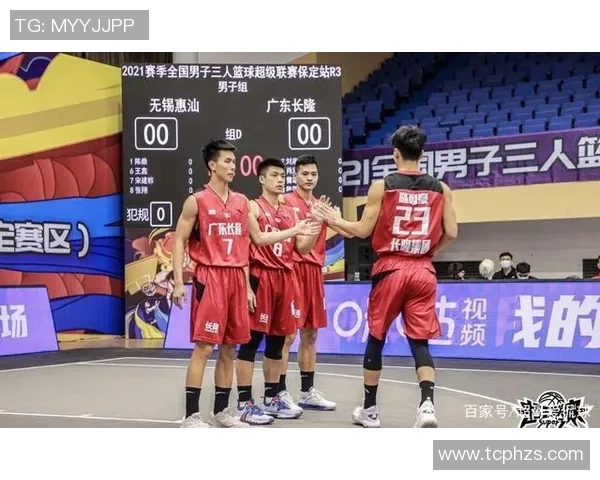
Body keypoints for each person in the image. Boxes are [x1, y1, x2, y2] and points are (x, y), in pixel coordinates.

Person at [314, 125, 458, 428]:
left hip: (391, 268)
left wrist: (333, 219)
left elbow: (361, 230)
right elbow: (452, 233)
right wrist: (428, 250)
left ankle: (369, 410)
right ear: (422, 153)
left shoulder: (383, 186)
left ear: (395, 154)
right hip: (423, 269)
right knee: (420, 342)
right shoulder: (441, 189)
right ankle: (427, 406)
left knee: (376, 338)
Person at [172, 140, 319, 428]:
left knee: (230, 348)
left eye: (233, 161)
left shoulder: (241, 201)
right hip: (210, 277)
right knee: (204, 347)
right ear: (212, 165)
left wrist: (296, 230)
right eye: (226, 161)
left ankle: (221, 412)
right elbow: (179, 240)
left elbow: (258, 240)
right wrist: (179, 281)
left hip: (236, 280)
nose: (232, 166)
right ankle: (191, 416)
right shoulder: (196, 201)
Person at [234, 158, 323, 425]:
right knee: (251, 342)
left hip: (285, 278)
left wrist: (315, 225)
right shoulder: (253, 206)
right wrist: (247, 288)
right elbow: (259, 239)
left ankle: (271, 398)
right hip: (261, 277)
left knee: (277, 342)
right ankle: (244, 403)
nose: (280, 180)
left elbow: (302, 249)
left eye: (282, 176)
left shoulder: (289, 212)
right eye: (274, 175)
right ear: (262, 179)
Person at [277, 154, 341, 412]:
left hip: (314, 272)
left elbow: (345, 231)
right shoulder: (284, 202)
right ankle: (279, 392)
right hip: (292, 270)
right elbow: (296, 245)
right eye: (305, 174)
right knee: (288, 335)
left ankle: (307, 392)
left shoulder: (321, 206)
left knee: (311, 333)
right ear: (295, 175)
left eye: (313, 174)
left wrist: (335, 218)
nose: (310, 178)